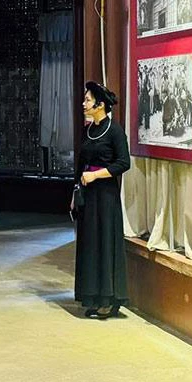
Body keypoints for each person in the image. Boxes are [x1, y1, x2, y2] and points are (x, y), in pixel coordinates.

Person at [74, 81, 131, 319]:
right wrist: (75, 191)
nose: (84, 104)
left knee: (105, 242)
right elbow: (81, 165)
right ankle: (92, 296)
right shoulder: (89, 130)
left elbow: (123, 163)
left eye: (88, 100)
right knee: (90, 243)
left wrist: (96, 175)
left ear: (100, 104)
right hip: (88, 194)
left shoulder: (115, 130)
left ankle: (108, 299)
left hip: (106, 195)